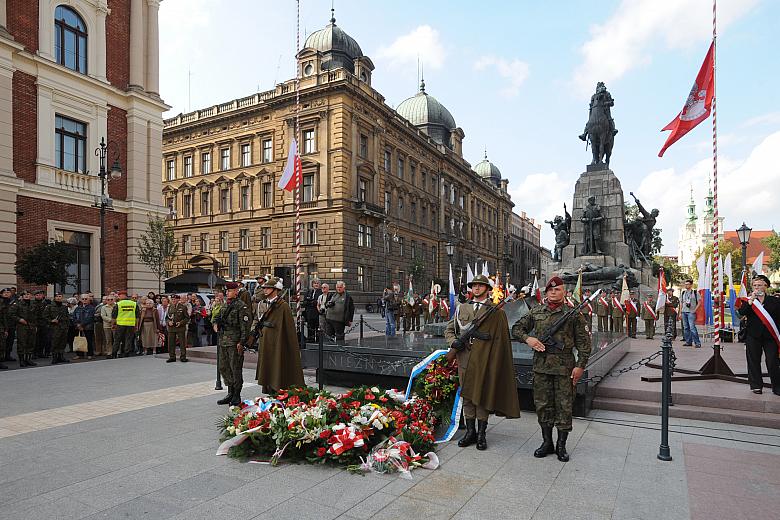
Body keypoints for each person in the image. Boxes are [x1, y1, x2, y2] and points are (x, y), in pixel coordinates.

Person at [512, 276, 591, 462]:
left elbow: (584, 344)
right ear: (546, 292)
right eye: (550, 290)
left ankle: (561, 446)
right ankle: (546, 442)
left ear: (564, 292)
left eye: (558, 290)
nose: (554, 292)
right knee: (542, 406)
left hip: (565, 369)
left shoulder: (574, 314)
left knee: (564, 407)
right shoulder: (536, 312)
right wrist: (528, 339)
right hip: (541, 368)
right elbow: (516, 329)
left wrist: (580, 366)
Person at [445, 274, 520, 450]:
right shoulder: (462, 308)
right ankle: (470, 432)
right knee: (468, 397)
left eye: (480, 285)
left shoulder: (495, 311)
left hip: (484, 360)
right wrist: (453, 342)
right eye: (474, 286)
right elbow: (450, 329)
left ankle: (481, 434)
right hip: (464, 357)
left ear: (487, 289)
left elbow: (500, 339)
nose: (476, 288)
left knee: (481, 396)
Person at [255, 277, 304, 396]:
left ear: (275, 289)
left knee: (276, 365)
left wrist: (287, 346)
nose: (265, 290)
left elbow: (289, 330)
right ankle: (269, 389)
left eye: (268, 288)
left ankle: (278, 390)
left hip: (277, 342)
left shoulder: (283, 306)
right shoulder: (262, 304)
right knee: (267, 365)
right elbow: (257, 319)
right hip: (265, 340)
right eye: (264, 288)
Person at [737, 274, 780, 395]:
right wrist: (750, 301)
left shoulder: (774, 301)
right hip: (753, 335)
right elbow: (741, 314)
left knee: (772, 361)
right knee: (753, 360)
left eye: (760, 285)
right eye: (755, 285)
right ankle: (756, 386)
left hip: (770, 336)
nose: (757, 288)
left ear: (766, 286)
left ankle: (777, 387)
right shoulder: (748, 300)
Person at [216, 282, 252, 405]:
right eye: (226, 291)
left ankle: (237, 394)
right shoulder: (225, 305)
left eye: (230, 291)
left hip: (234, 342)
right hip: (223, 341)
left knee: (235, 368)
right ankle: (230, 391)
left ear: (236, 291)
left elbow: (245, 326)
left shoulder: (241, 306)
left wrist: (242, 342)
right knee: (224, 367)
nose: (227, 293)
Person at [10, 291, 37, 367]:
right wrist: (19, 319)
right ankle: (22, 360)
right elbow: (11, 314)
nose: (26, 296)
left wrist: (35, 326)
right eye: (24, 294)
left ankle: (28, 359)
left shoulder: (33, 304)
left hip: (31, 326)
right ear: (22, 296)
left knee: (30, 343)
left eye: (28, 294)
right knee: (22, 343)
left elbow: (36, 316)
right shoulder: (17, 304)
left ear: (31, 295)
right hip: (22, 326)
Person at [43, 293, 71, 364]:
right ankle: (54, 357)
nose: (58, 298)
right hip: (54, 328)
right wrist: (51, 320)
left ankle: (61, 356)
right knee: (55, 343)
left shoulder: (64, 307)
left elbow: (67, 317)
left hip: (63, 327)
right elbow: (44, 317)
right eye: (57, 296)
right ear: (54, 298)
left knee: (62, 342)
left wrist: (67, 326)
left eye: (60, 296)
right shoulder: (49, 306)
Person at [112, 290, 138, 358]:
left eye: (119, 295)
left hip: (120, 324)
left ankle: (114, 353)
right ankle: (126, 353)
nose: (118, 297)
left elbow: (114, 316)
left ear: (122, 295)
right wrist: (136, 325)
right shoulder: (134, 304)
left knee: (117, 339)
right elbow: (137, 316)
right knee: (128, 339)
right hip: (131, 324)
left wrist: (113, 324)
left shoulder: (118, 304)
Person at [165, 294, 189, 362]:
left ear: (178, 299)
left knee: (182, 343)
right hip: (171, 328)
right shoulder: (170, 307)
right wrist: (169, 322)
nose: (173, 300)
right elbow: (167, 317)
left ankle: (183, 356)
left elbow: (187, 318)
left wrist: (181, 323)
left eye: (175, 299)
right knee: (171, 343)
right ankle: (172, 357)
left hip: (180, 328)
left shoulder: (183, 307)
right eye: (172, 299)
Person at [680, 278, 701, 347]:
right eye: (685, 284)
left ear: (691, 285)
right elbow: (681, 303)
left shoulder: (695, 292)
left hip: (691, 312)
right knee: (686, 327)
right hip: (684, 311)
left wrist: (695, 310)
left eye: (688, 284)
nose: (686, 286)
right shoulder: (683, 292)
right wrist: (680, 312)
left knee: (692, 327)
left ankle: (697, 343)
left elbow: (700, 302)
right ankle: (688, 342)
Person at [73, 294, 96, 359]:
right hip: (78, 327)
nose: (84, 300)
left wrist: (81, 324)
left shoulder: (91, 308)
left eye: (86, 299)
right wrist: (77, 324)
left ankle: (89, 354)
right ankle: (79, 354)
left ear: (89, 300)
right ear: (80, 300)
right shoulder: (78, 308)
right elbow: (74, 317)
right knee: (79, 340)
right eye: (83, 299)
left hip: (88, 327)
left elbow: (90, 318)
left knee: (89, 341)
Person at [32, 290, 50, 358]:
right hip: (36, 323)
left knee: (43, 339)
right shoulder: (32, 304)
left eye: (40, 295)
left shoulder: (45, 304)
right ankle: (34, 353)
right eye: (37, 295)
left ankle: (40, 353)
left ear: (42, 296)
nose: (38, 296)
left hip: (44, 323)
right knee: (35, 340)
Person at [0, 288, 11, 369]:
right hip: (2, 326)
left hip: (6, 325)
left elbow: (5, 317)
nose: (6, 294)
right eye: (5, 292)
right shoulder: (1, 302)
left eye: (8, 292)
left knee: (4, 344)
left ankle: (4, 358)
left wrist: (6, 329)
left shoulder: (11, 302)